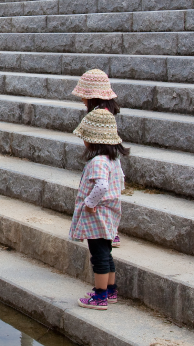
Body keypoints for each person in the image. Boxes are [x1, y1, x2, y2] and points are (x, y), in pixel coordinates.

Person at [69, 109, 129, 311]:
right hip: (110, 214)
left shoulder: (97, 162)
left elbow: (101, 186)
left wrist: (89, 203)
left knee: (99, 256)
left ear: (91, 140)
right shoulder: (113, 160)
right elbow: (118, 183)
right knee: (106, 253)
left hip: (98, 217)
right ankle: (111, 290)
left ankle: (100, 295)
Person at [72, 68, 122, 247]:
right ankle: (111, 232)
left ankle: (111, 233)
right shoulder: (107, 108)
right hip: (111, 157)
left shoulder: (100, 112)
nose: (82, 100)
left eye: (84, 96)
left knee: (105, 195)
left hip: (106, 157)